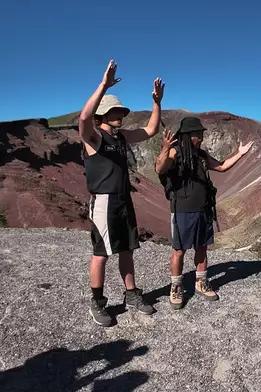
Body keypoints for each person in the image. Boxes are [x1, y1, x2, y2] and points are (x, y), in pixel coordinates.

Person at [78, 60, 164, 326]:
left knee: (127, 249)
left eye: (121, 111)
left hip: (123, 199)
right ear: (102, 115)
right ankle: (98, 302)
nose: (120, 114)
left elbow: (150, 130)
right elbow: (83, 118)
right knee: (102, 253)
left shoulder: (121, 137)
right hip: (103, 200)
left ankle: (131, 294)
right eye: (114, 111)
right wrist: (103, 85)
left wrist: (157, 102)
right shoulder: (93, 137)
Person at [155, 116, 254, 310]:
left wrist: (240, 153)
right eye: (198, 134)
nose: (201, 137)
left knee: (202, 247)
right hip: (182, 209)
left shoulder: (201, 155)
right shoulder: (175, 153)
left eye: (201, 134)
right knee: (179, 250)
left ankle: (201, 282)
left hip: (203, 209)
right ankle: (176, 287)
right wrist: (166, 148)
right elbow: (160, 168)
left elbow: (222, 167)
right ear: (188, 135)